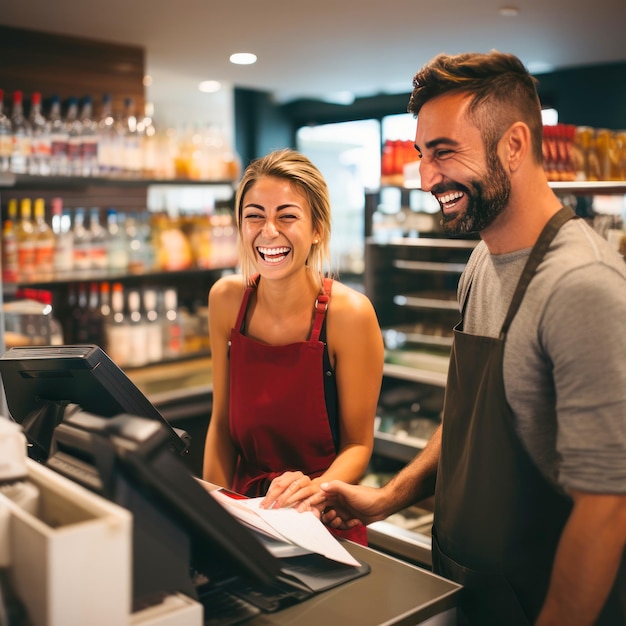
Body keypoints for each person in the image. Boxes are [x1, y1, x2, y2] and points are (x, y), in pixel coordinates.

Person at [316, 51, 626, 625]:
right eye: (421, 155)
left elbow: (608, 506)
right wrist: (384, 499)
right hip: (470, 589)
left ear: (513, 145)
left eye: (444, 152)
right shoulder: (483, 262)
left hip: (540, 601)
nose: (427, 177)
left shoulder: (582, 285)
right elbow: (467, 420)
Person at [202, 148, 384, 545]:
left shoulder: (349, 314)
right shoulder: (226, 301)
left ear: (317, 228)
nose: (268, 231)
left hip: (321, 517)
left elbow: (358, 445)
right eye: (254, 216)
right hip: (245, 513)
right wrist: (212, 514)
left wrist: (313, 492)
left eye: (287, 216)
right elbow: (221, 427)